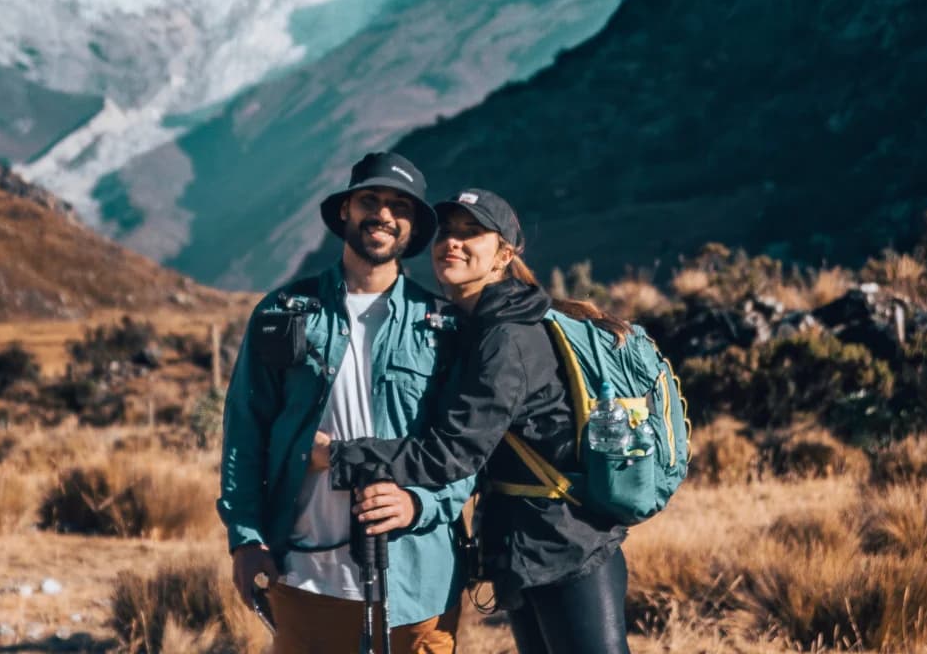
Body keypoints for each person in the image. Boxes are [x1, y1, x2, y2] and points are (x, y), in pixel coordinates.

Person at [320, 189, 635, 654]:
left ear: (504, 254)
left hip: (571, 549)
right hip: (527, 549)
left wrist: (338, 455)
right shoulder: (481, 327)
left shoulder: (508, 338)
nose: (453, 243)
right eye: (447, 232)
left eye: (472, 234)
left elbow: (454, 452)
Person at [218, 151, 475, 654]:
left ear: (412, 227)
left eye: (399, 206)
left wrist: (417, 502)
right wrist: (246, 539)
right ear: (345, 211)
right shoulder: (283, 313)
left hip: (418, 581)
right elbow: (245, 433)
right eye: (370, 200)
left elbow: (467, 448)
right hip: (306, 576)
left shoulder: (444, 326)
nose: (383, 214)